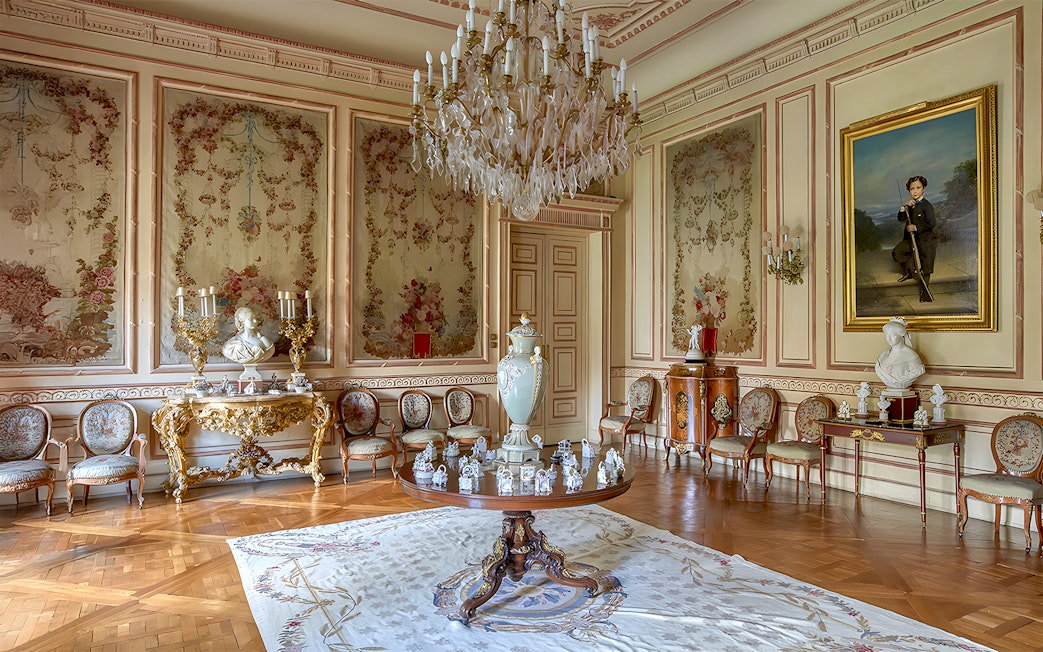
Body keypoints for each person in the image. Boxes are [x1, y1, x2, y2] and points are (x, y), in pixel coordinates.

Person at [891, 175, 937, 302]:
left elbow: (931, 223)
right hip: (910, 240)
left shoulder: (927, 205)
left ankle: (924, 293)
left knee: (925, 266)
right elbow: (901, 219)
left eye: (918, 188)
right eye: (912, 189)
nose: (915, 191)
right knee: (897, 252)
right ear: (909, 190)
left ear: (924, 189)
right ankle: (910, 271)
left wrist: (916, 227)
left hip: (925, 240)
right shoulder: (911, 205)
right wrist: (903, 207)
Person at [874, 317, 925, 390]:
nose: (889, 339)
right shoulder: (883, 355)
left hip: (903, 391)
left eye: (892, 335)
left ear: (901, 335)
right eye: (887, 335)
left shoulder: (911, 355)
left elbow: (919, 370)